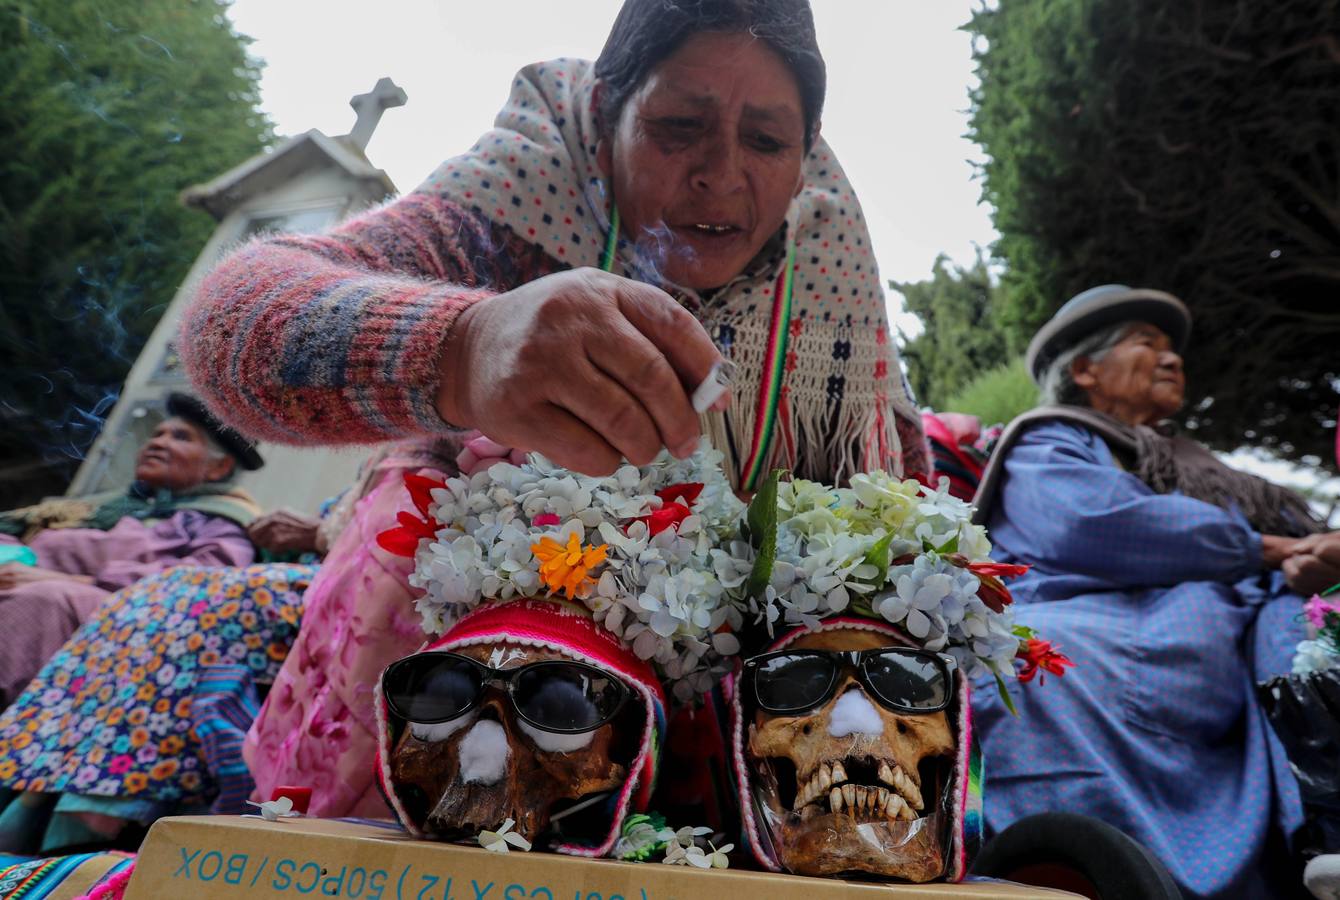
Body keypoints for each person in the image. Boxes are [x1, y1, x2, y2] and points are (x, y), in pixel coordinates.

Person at [182, 0, 928, 818]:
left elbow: (895, 503)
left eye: (767, 141)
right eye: (679, 125)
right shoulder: (524, 193)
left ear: (805, 150)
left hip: (718, 684)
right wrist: (465, 346)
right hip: (471, 651)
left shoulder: (828, 267)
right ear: (608, 115)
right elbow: (230, 321)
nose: (720, 174)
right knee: (413, 511)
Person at [971, 284, 1331, 899]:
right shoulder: (1047, 440)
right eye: (1147, 343)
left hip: (1232, 637)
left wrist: (1315, 557)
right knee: (1047, 664)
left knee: (1310, 644)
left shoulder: (1199, 465)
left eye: (1174, 350)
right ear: (1085, 370)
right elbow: (1088, 521)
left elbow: (1302, 542)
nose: (1173, 359)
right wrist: (1268, 549)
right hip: (1104, 622)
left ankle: (1323, 836)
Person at [0, 393, 264, 707]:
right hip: (20, 589)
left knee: (47, 598)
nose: (158, 443)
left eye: (180, 437)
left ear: (219, 467)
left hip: (120, 621)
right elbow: (17, 533)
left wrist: (70, 581)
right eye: (157, 434)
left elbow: (200, 587)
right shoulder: (103, 506)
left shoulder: (221, 523)